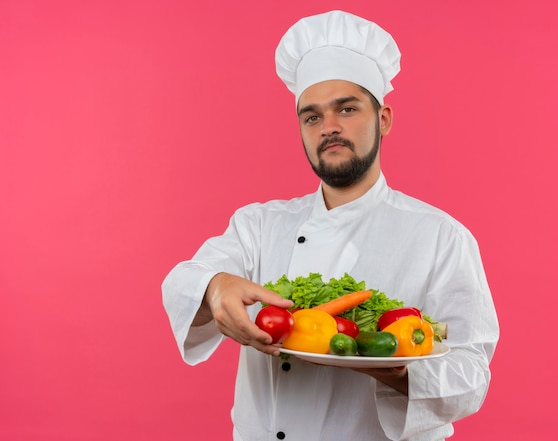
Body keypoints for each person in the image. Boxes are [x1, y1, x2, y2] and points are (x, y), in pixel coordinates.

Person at [162, 10, 499, 441]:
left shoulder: (441, 237)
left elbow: (471, 374)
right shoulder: (258, 225)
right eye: (312, 116)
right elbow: (182, 280)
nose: (330, 128)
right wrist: (215, 287)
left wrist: (396, 370)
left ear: (384, 119)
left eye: (347, 108)